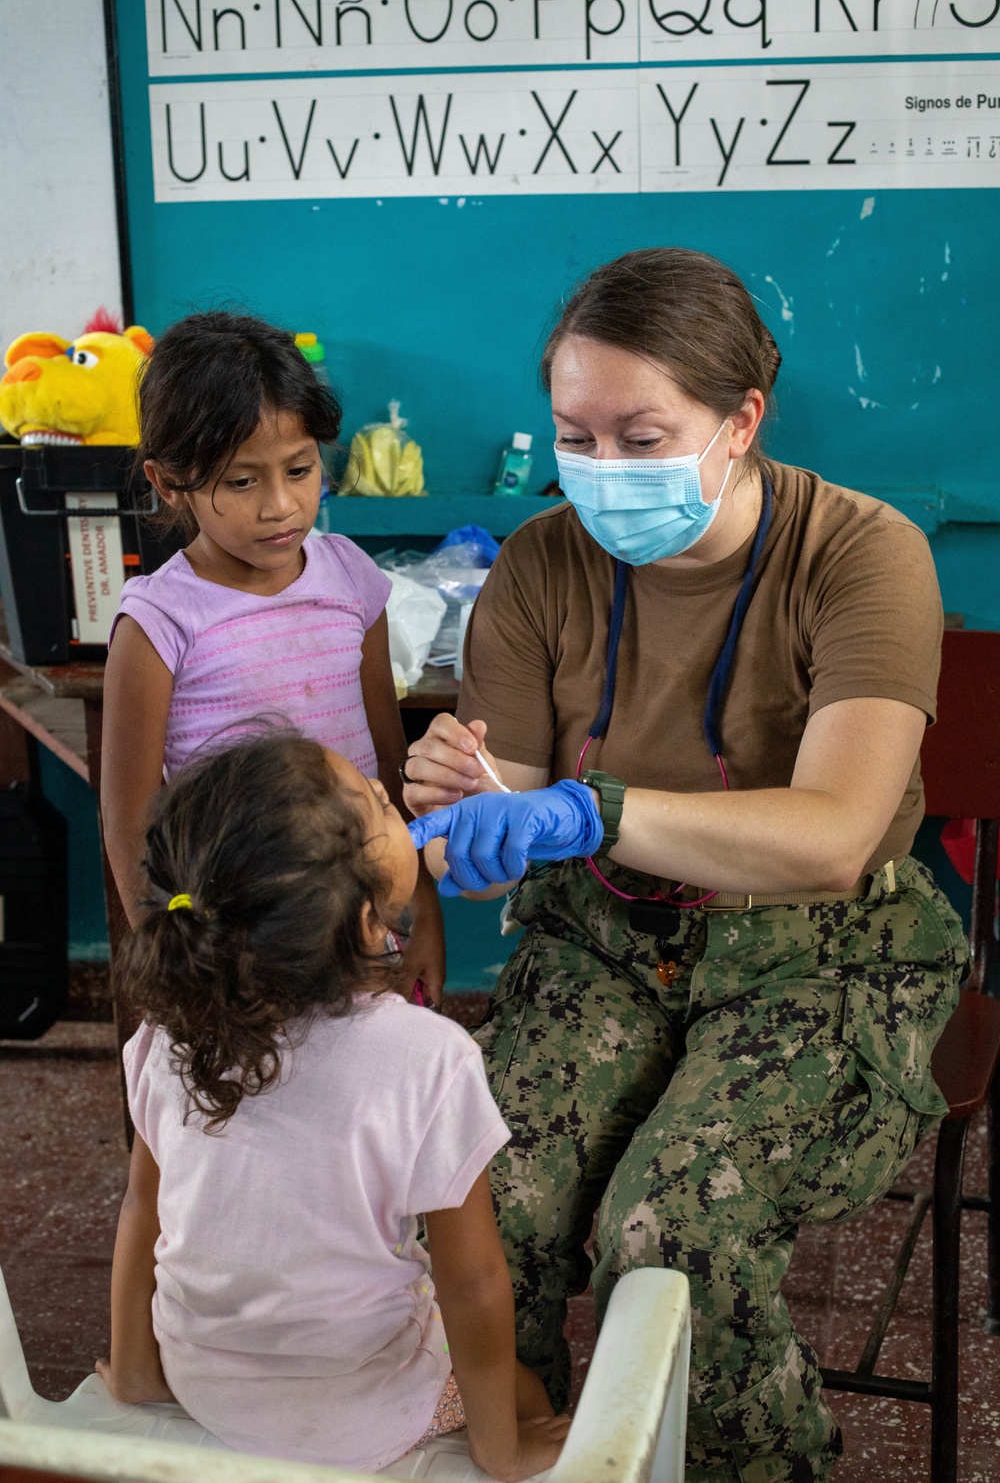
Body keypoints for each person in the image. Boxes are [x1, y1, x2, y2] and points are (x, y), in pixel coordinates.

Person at [402, 248, 969, 1482]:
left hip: (820, 957)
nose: (604, 470)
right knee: (484, 1194)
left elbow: (828, 837)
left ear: (741, 420)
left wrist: (582, 812)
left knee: (674, 1228)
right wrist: (465, 814)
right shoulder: (542, 569)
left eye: (641, 432)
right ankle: (528, 1441)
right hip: (600, 942)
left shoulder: (860, 555)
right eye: (574, 434)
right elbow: (494, 846)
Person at [97, 733, 569, 1479]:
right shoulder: (429, 1059)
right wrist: (503, 1448)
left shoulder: (170, 1035)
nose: (389, 794)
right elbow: (472, 1281)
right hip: (362, 1415)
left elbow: (140, 1207)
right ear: (359, 923)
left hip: (202, 1386)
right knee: (530, 1390)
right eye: (380, 803)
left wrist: (135, 1374)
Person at [100, 312, 443, 1000]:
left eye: (300, 468)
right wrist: (173, 965)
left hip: (364, 925)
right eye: (240, 482)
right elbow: (131, 820)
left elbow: (386, 762)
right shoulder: (159, 622)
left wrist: (422, 912)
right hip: (235, 944)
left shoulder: (349, 577)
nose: (282, 506)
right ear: (170, 483)